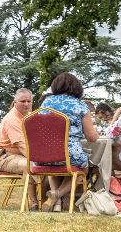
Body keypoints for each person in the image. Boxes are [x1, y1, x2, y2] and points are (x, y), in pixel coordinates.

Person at [40, 73, 99, 211]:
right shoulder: (81, 106)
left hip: (45, 154)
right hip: (70, 153)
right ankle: (57, 194)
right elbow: (91, 138)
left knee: (52, 167)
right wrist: (95, 134)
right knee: (83, 168)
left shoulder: (46, 103)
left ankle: (57, 204)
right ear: (77, 87)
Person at [0, 88, 40, 210]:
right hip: (4, 156)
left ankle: (49, 199)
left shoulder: (29, 116)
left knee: (48, 164)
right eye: (22, 101)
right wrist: (39, 160)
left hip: (19, 155)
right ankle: (35, 204)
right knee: (29, 165)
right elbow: (22, 145)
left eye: (29, 101)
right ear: (15, 102)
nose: (26, 104)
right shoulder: (12, 119)